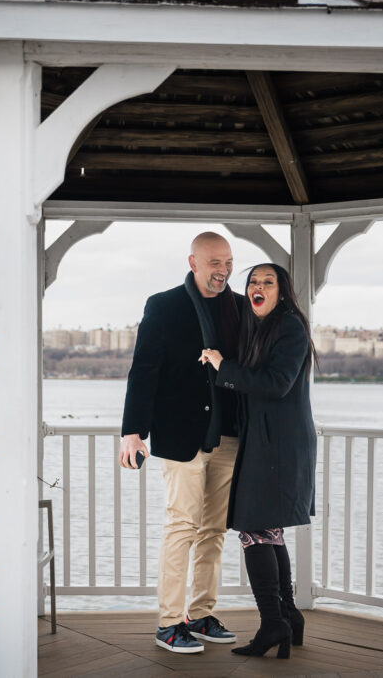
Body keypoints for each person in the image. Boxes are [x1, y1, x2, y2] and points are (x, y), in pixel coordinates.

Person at [119, 232, 245, 654]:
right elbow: (144, 370)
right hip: (180, 436)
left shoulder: (242, 308)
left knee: (214, 531)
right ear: (193, 262)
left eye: (228, 262)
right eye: (214, 263)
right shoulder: (164, 305)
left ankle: (203, 613)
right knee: (181, 527)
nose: (223, 270)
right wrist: (133, 430)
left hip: (229, 435)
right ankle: (170, 622)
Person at [199, 263, 317, 659]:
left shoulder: (290, 327)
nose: (258, 287)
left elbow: (275, 384)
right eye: (253, 281)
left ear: (282, 293)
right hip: (269, 444)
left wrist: (222, 367)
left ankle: (273, 623)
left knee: (252, 529)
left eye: (268, 282)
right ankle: (287, 616)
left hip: (278, 448)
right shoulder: (264, 327)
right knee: (268, 531)